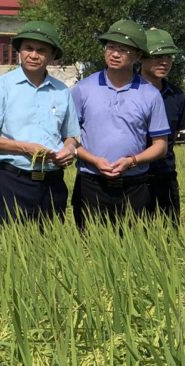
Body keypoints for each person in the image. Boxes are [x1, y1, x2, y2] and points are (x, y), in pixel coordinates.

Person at [0, 20, 81, 226]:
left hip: (52, 182)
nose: (33, 55)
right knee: (8, 242)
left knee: (51, 241)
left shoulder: (62, 91)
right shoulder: (1, 87)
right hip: (13, 180)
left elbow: (71, 136)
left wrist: (69, 150)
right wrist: (25, 147)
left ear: (52, 55)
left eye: (41, 50)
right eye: (28, 48)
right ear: (20, 50)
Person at [71, 19, 171, 227]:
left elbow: (160, 145)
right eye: (111, 47)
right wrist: (94, 160)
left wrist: (132, 161)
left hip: (135, 185)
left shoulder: (150, 94)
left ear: (138, 56)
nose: (115, 54)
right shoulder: (82, 89)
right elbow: (70, 138)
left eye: (123, 50)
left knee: (134, 242)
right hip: (91, 183)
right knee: (89, 242)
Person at [139, 27, 185, 220]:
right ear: (141, 57)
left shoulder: (176, 95)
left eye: (169, 56)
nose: (164, 62)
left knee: (170, 231)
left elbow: (172, 137)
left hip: (166, 176)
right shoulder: (127, 91)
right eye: (157, 56)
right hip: (134, 177)